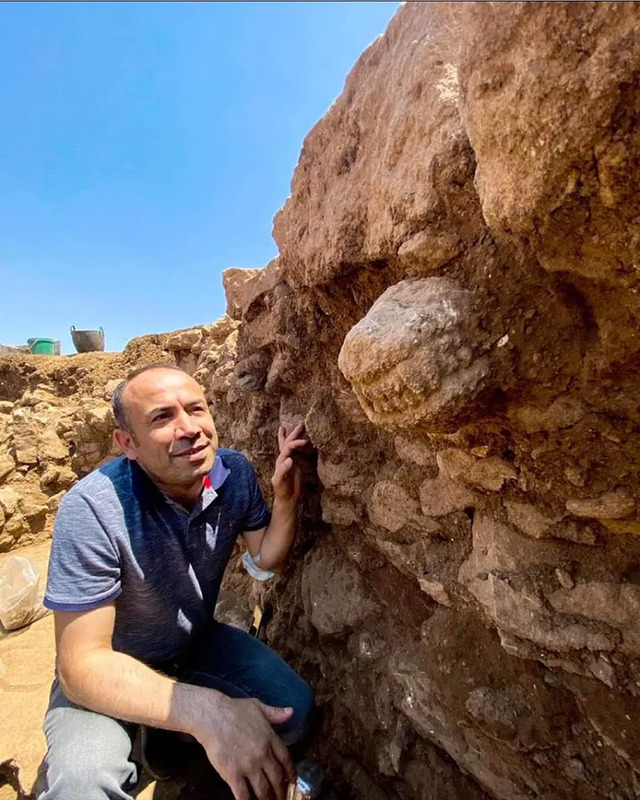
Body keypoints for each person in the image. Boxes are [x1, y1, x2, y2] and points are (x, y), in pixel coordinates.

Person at [36, 363, 314, 800]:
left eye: (196, 409)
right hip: (113, 667)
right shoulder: (93, 508)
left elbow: (264, 560)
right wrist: (208, 710)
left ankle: (164, 735)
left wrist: (285, 499)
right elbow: (82, 665)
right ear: (128, 443)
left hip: (194, 647)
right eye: (162, 417)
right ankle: (158, 724)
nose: (190, 429)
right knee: (84, 784)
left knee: (293, 712)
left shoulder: (233, 474)